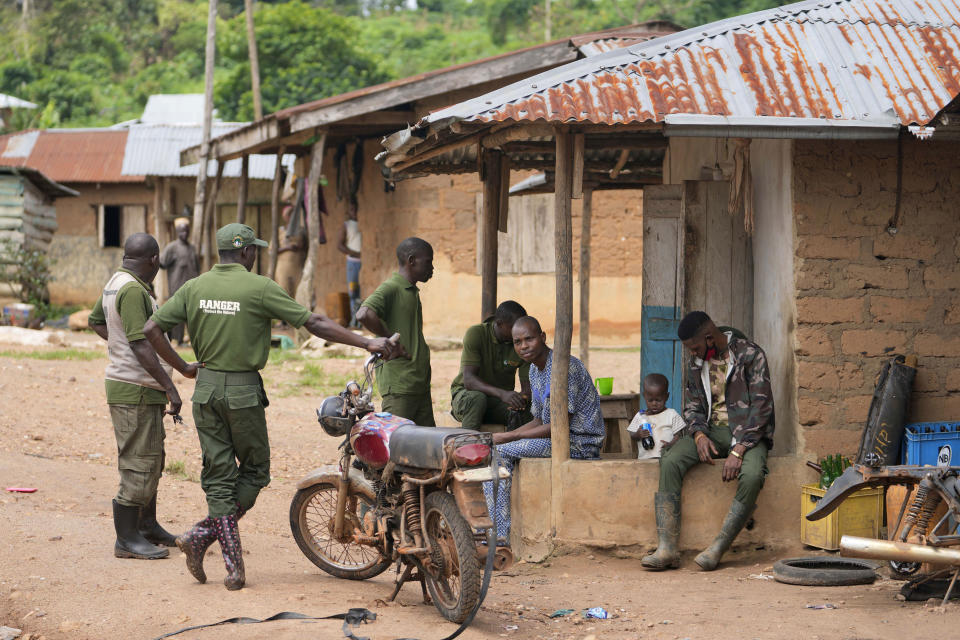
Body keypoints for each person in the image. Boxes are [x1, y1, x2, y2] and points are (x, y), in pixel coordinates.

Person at [143, 223, 399, 590]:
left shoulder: (193, 287)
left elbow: (152, 329)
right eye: (254, 250)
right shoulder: (260, 287)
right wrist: (365, 343)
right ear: (246, 252)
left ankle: (227, 562)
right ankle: (202, 535)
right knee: (257, 469)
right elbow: (313, 322)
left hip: (207, 390)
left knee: (217, 475)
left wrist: (183, 366)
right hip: (243, 392)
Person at [88, 232, 199, 560]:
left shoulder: (115, 282)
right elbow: (139, 343)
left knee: (152, 458)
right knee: (139, 462)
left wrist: (117, 344)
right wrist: (170, 384)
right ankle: (126, 538)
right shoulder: (134, 289)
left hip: (137, 387)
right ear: (154, 260)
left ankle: (146, 525)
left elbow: (98, 321)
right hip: (133, 389)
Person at [641, 311, 774, 572]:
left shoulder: (750, 355)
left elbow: (762, 407)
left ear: (710, 338)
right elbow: (692, 408)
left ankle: (717, 548)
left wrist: (738, 450)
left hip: (748, 434)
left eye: (696, 347)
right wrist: (699, 435)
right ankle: (667, 548)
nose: (694, 354)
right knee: (671, 459)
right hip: (713, 431)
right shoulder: (697, 363)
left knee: (753, 475)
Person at [482, 316, 605, 543]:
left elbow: (559, 426)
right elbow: (539, 420)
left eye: (529, 339)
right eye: (517, 342)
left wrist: (509, 436)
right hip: (557, 438)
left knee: (500, 452)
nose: (523, 346)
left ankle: (498, 537)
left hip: (579, 443)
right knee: (496, 450)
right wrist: (507, 437)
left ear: (543, 337)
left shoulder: (563, 367)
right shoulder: (534, 371)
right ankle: (492, 531)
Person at [356, 237, 435, 425]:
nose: (432, 268)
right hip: (400, 386)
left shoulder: (411, 291)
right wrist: (389, 340)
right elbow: (364, 313)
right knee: (396, 444)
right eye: (428, 262)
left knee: (425, 447)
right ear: (411, 260)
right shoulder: (392, 287)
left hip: (418, 384)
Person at [450, 301, 532, 431]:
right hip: (467, 397)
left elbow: (527, 389)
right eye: (514, 327)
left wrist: (522, 400)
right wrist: (503, 394)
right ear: (499, 323)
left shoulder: (521, 344)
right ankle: (467, 446)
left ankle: (511, 449)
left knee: (528, 410)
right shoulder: (476, 334)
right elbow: (469, 380)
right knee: (477, 399)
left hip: (498, 403)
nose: (519, 332)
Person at [158, 216, 200, 345]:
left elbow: (197, 267)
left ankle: (193, 340)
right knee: (179, 313)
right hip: (176, 286)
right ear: (177, 232)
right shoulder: (171, 247)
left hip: (192, 286)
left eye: (186, 231)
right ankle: (179, 339)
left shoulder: (192, 248)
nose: (184, 234)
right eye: (182, 231)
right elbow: (162, 263)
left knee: (192, 313)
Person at [627, 373, 687, 460]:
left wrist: (671, 444)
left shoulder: (671, 414)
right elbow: (632, 434)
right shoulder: (640, 416)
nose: (654, 404)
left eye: (658, 400)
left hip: (667, 459)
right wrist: (638, 434)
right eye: (650, 400)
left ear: (666, 397)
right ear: (644, 396)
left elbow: (679, 435)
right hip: (645, 461)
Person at [337, 197, 362, 328]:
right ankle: (355, 320)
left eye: (356, 209)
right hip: (353, 263)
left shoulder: (364, 223)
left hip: (364, 263)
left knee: (363, 292)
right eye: (352, 209)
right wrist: (354, 253)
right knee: (353, 292)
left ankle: (361, 321)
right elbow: (339, 245)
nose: (354, 211)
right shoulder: (346, 225)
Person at [275, 204, 307, 298]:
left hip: (298, 268)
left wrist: (300, 247)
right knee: (284, 295)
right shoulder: (280, 231)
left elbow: (307, 248)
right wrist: (288, 248)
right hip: (283, 269)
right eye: (289, 215)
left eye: (293, 215)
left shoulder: (301, 231)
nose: (292, 217)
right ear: (285, 217)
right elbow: (272, 251)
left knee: (300, 294)